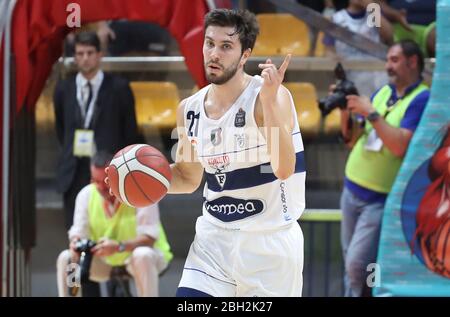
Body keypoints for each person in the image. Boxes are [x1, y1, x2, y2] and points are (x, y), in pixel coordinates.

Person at [156, 9, 305, 297]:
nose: (214, 53)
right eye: (209, 43)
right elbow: (187, 178)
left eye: (226, 46)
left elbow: (284, 167)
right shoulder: (189, 110)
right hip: (213, 242)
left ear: (245, 55)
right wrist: (139, 183)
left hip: (268, 245)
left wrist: (270, 104)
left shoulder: (271, 98)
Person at [338, 39, 430, 296]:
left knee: (358, 265)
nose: (388, 66)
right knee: (351, 263)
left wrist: (371, 114)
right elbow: (353, 140)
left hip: (379, 199)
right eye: (388, 59)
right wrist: (346, 111)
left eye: (394, 60)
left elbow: (400, 145)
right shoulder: (384, 91)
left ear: (413, 62)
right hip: (351, 189)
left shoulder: (422, 98)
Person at [53, 31, 139, 230]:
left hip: (108, 169)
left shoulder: (119, 87)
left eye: (90, 52)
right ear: (74, 56)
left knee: (113, 228)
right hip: (74, 169)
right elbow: (61, 128)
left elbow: (130, 131)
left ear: (100, 54)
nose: (85, 58)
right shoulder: (64, 88)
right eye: (80, 53)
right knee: (76, 229)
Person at [56, 151, 172, 297]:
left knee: (143, 255)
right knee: (66, 258)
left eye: (104, 181)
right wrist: (76, 244)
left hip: (139, 257)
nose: (100, 187)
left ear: (115, 176)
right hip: (104, 260)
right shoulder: (86, 195)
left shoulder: (139, 189)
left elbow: (149, 238)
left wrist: (118, 247)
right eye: (95, 181)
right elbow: (78, 233)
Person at [323, 0, 393, 97]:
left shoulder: (374, 14)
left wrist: (370, 6)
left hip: (377, 79)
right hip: (351, 80)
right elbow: (329, 51)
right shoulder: (336, 19)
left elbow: (388, 36)